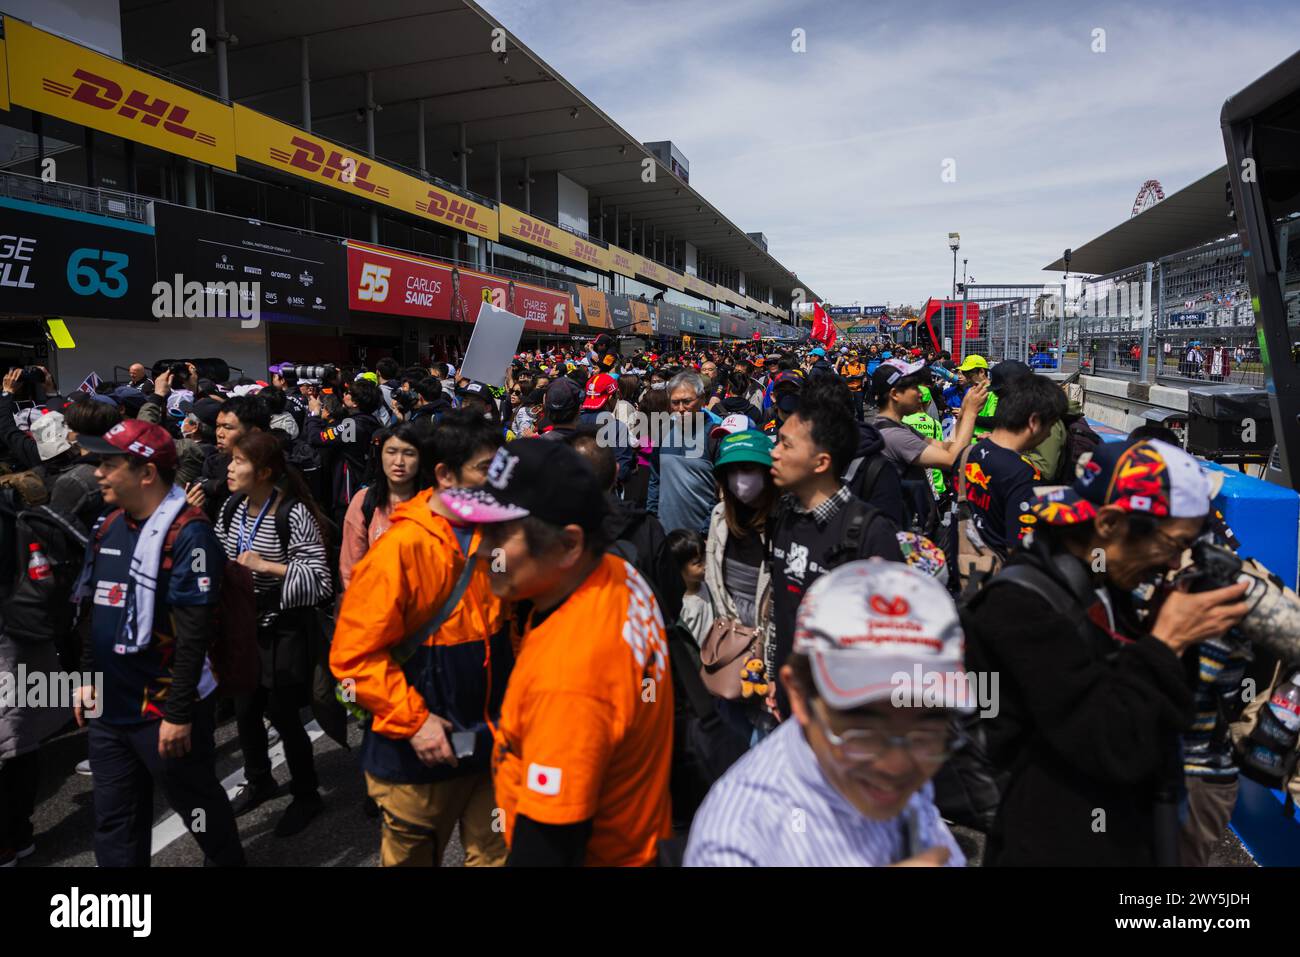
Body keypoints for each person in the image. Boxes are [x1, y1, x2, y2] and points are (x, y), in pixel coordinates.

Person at [962, 438, 1252, 865]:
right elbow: (1112, 745)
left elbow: (1164, 712)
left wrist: (1169, 634)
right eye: (1174, 544)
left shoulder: (1101, 578)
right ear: (1111, 524)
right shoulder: (1021, 607)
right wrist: (1166, 640)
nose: (1175, 564)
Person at [443, 439, 673, 866]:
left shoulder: (569, 675)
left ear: (569, 545)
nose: (482, 549)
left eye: (498, 532)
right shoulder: (618, 573)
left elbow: (548, 846)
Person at [685, 560, 969, 866]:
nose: (897, 766)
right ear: (799, 694)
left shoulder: (901, 765)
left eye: (926, 732)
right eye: (863, 731)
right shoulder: (738, 845)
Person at [330, 411, 509, 867]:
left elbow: (511, 631)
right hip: (417, 756)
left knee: (496, 858)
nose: (500, 483)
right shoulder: (400, 549)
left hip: (490, 745)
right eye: (488, 471)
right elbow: (353, 657)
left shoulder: (498, 535)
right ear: (446, 475)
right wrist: (416, 722)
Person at [70, 420, 245, 867]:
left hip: (164, 708)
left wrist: (179, 713)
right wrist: (87, 679)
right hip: (110, 710)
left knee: (199, 812)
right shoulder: (107, 525)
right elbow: (94, 607)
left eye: (110, 464)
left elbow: (195, 634)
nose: (98, 474)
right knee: (114, 822)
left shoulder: (190, 533)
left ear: (146, 473)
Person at [215, 431, 334, 835]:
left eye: (238, 462)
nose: (229, 468)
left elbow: (319, 579)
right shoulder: (231, 508)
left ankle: (307, 795)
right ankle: (259, 778)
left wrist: (268, 567)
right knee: (245, 711)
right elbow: (218, 554)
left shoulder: (292, 513)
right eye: (230, 460)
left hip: (282, 627)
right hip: (243, 628)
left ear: (264, 471)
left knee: (284, 715)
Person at [769, 381, 903, 722]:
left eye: (785, 444)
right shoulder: (783, 515)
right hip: (789, 709)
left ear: (821, 462)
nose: (774, 452)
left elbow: (893, 644)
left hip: (844, 723)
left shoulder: (871, 534)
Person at [959, 374, 1066, 562]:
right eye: (1050, 425)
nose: (1049, 433)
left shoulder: (970, 454)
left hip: (964, 563)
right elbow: (1019, 551)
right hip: (999, 574)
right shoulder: (1023, 474)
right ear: (1034, 422)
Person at [340, 423, 428, 589]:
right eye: (391, 452)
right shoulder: (364, 501)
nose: (399, 462)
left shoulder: (434, 504)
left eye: (408, 453)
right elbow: (350, 569)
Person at [649, 372, 722, 535]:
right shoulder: (663, 431)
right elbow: (655, 479)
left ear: (702, 399)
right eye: (675, 403)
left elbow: (720, 494)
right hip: (665, 536)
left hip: (701, 539)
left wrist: (705, 534)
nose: (681, 409)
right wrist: (652, 519)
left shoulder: (715, 436)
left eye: (687, 401)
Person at [306, 378, 383, 524]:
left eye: (348, 393)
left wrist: (314, 414)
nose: (344, 395)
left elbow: (316, 438)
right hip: (362, 485)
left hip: (348, 493)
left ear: (355, 403)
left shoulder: (351, 426)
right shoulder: (371, 421)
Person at [667, 529, 713, 646]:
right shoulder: (681, 605)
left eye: (704, 557)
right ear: (678, 569)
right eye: (698, 562)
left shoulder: (709, 585)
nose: (705, 565)